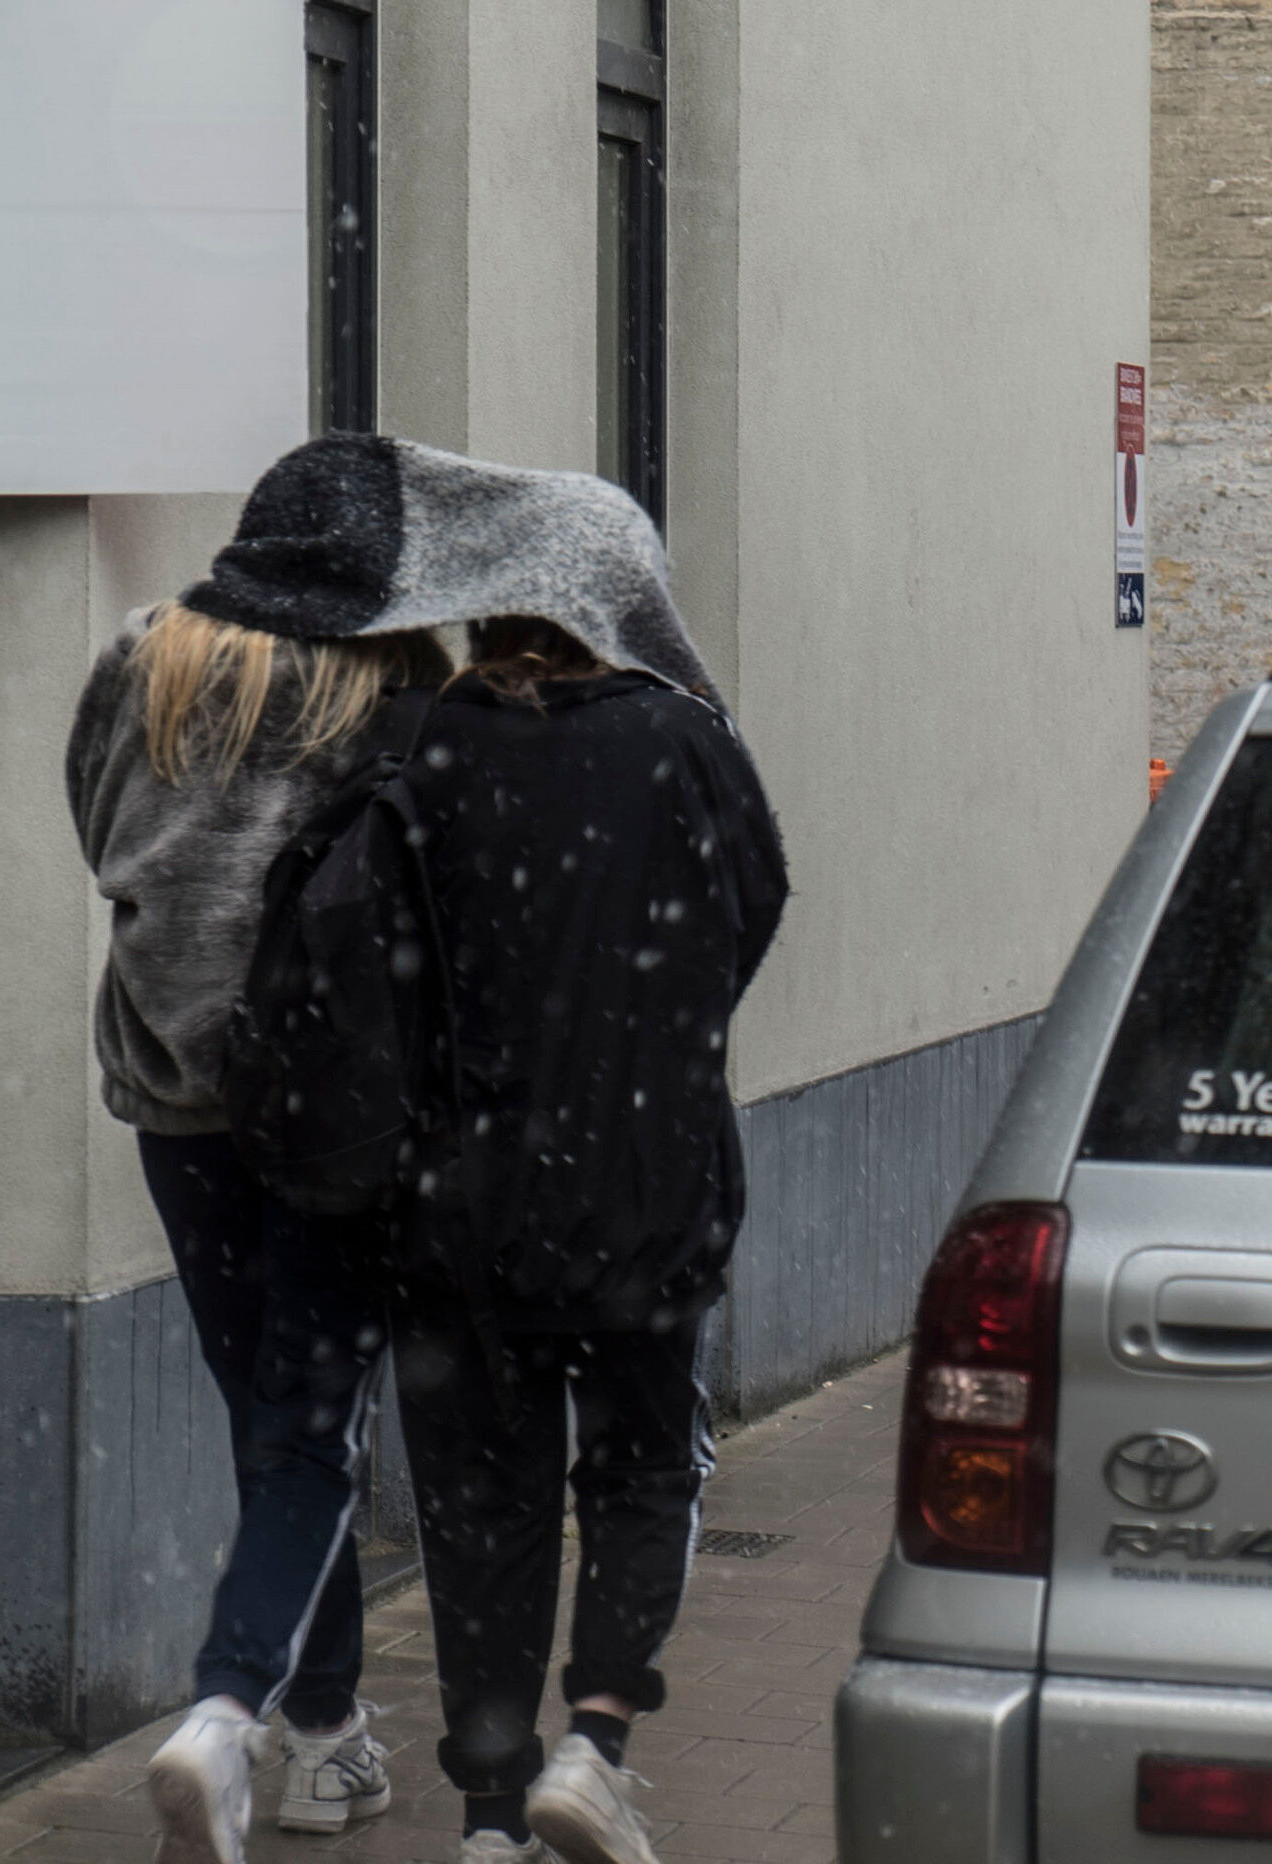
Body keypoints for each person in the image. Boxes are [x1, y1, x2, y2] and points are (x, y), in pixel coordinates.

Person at [68, 440, 452, 1864]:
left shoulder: (142, 655)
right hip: (327, 1109)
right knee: (312, 1432)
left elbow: (98, 830)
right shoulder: (388, 687)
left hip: (178, 1100)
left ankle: (327, 1734)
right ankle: (236, 1718)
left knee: (271, 1426)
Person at [387, 601, 785, 1864]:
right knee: (639, 1470)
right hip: (642, 1182)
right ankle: (594, 1744)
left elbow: (379, 953)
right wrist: (654, 1033)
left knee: (482, 1508)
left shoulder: (428, 743)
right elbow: (756, 903)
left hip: (463, 1204)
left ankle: (489, 1816)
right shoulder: (684, 738)